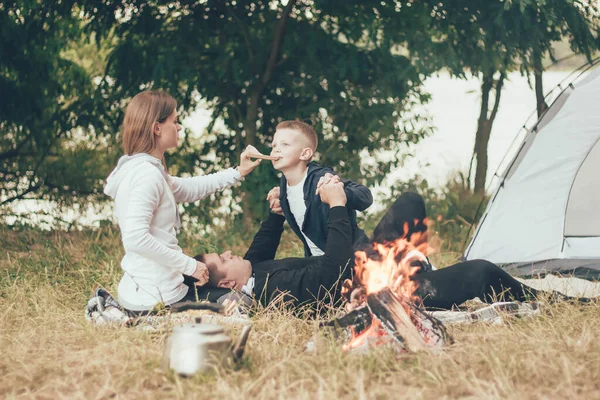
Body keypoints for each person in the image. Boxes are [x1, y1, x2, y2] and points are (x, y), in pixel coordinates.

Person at [197, 184, 587, 311]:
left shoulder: (253, 269)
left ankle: (415, 263)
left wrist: (279, 208)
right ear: (229, 286)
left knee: (411, 202)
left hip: (373, 260)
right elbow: (331, 269)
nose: (231, 254)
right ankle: (557, 301)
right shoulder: (269, 289)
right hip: (385, 291)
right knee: (481, 271)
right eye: (223, 260)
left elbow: (261, 245)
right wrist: (336, 207)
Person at [103, 90, 264, 314]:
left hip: (149, 289)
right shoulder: (146, 176)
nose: (179, 127)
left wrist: (238, 172)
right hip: (155, 298)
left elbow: (188, 188)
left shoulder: (148, 170)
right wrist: (190, 265)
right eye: (175, 121)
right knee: (241, 300)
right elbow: (135, 239)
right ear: (156, 128)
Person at [265, 120, 373, 257]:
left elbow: (365, 195)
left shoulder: (320, 178)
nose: (276, 149)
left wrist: (338, 193)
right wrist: (281, 201)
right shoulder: (284, 188)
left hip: (356, 257)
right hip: (319, 263)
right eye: (274, 145)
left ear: (305, 154)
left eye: (285, 144)